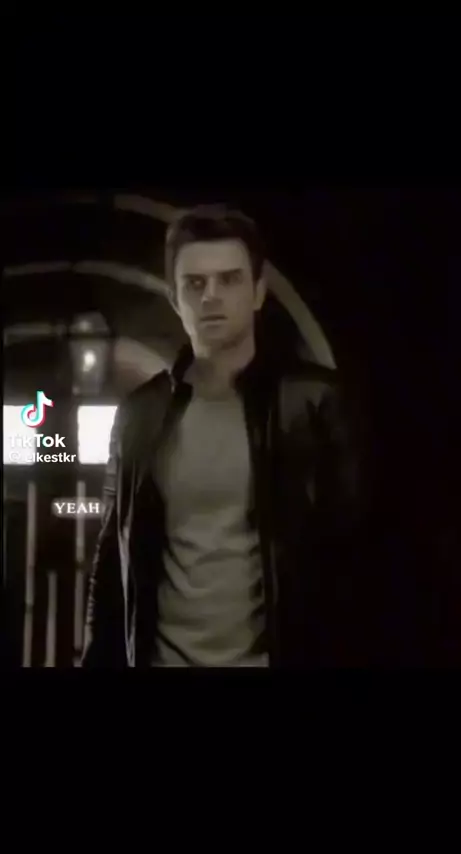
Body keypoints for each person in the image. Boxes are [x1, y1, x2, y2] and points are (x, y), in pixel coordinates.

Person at [82, 204, 366, 668]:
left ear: (257, 292)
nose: (211, 295)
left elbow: (358, 558)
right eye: (195, 284)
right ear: (175, 298)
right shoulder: (141, 413)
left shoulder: (313, 403)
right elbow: (113, 562)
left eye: (229, 280)